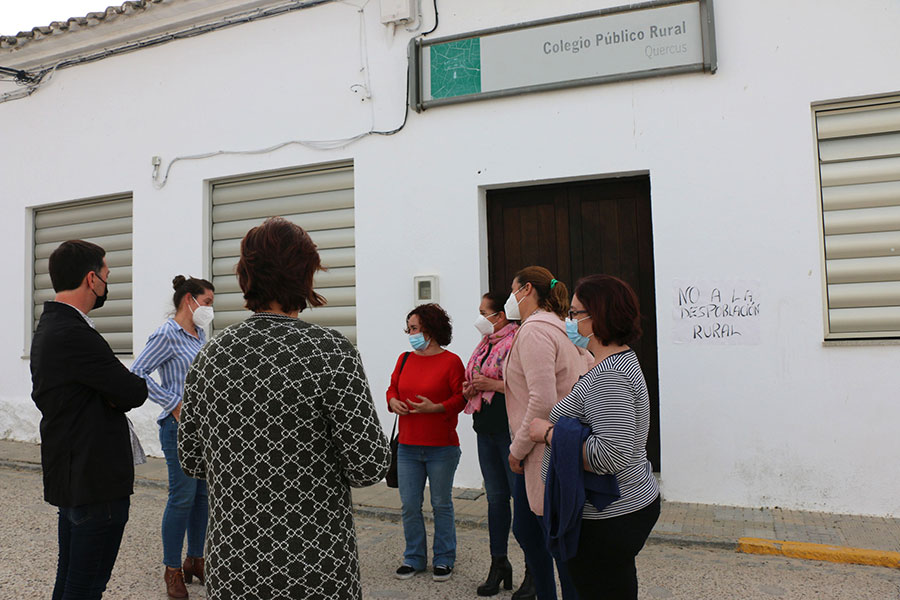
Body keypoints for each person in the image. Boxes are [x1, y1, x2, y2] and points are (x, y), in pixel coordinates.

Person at [178, 217, 390, 600]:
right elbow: (368, 465)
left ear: (246, 275)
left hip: (234, 565)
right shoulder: (330, 351)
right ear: (306, 274)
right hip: (315, 565)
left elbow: (191, 459)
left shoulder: (211, 354)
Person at [30, 239, 148, 600]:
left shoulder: (52, 325)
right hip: (95, 481)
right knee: (85, 588)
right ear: (91, 279)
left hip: (74, 475)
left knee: (70, 582)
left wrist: (107, 394)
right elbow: (132, 391)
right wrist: (111, 395)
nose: (108, 284)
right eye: (107, 275)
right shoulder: (74, 333)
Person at [531, 275, 660, 600]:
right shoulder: (614, 362)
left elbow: (610, 455)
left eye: (575, 314)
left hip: (609, 516)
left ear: (598, 317)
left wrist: (547, 433)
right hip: (617, 509)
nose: (569, 321)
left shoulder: (610, 377)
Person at [504, 266, 591, 600]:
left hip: (541, 450)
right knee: (531, 531)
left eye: (512, 291)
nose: (510, 298)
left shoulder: (536, 331)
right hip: (550, 447)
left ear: (526, 290)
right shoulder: (558, 329)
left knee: (552, 539)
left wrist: (517, 449)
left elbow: (543, 400)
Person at [131, 275, 215, 599]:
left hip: (205, 428)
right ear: (188, 300)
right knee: (181, 497)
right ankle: (172, 570)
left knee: (202, 498)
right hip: (178, 428)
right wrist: (173, 402)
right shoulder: (167, 334)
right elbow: (138, 372)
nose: (209, 308)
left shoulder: (200, 334)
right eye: (206, 302)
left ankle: (195, 559)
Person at [387, 303, 466, 583]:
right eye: (408, 329)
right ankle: (414, 558)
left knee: (441, 504)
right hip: (407, 446)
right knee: (409, 505)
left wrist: (437, 408)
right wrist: (392, 401)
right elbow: (392, 387)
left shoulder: (452, 361)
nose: (410, 334)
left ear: (431, 329)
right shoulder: (405, 358)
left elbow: (462, 398)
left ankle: (444, 559)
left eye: (414, 328)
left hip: (441, 447)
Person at [462, 292, 526, 597]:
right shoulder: (484, 345)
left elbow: (524, 385)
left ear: (500, 315)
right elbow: (477, 376)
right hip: (484, 428)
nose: (479, 318)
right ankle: (498, 562)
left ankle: (533, 568)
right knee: (496, 500)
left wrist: (492, 385)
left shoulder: (516, 341)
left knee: (522, 501)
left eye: (483, 312)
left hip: (508, 430)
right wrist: (470, 388)